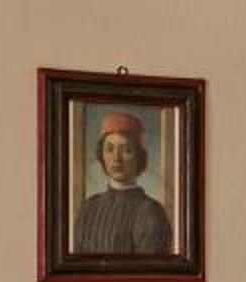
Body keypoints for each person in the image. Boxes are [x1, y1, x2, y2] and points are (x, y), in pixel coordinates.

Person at [74, 109, 173, 254]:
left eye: (126, 150)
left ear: (139, 157)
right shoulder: (88, 208)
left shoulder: (151, 212)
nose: (116, 158)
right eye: (109, 149)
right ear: (101, 155)